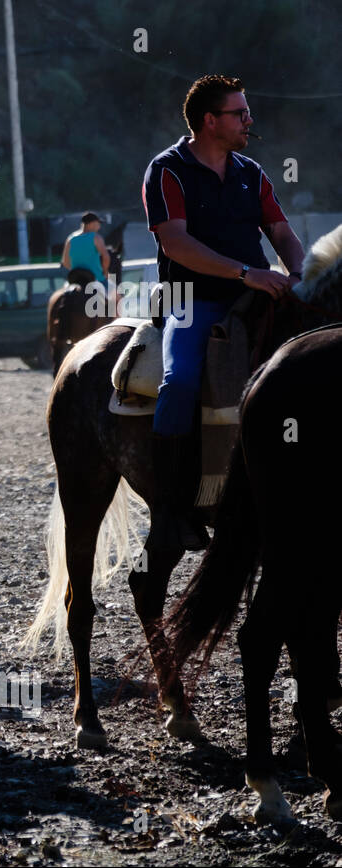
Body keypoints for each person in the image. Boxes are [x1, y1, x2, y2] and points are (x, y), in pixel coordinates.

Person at [142, 74, 303, 551]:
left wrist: (300, 273)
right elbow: (176, 242)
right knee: (182, 380)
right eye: (241, 113)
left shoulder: (251, 172)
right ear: (210, 121)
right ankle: (172, 507)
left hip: (254, 297)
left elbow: (282, 233)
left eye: (247, 112)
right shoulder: (166, 170)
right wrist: (245, 273)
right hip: (190, 301)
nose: (249, 121)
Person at [60, 211, 110, 286]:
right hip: (96, 279)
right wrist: (105, 272)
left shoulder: (70, 239)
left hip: (75, 281)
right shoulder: (96, 237)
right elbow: (106, 258)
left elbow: (65, 262)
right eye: (98, 224)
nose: (99, 227)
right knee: (117, 296)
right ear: (92, 223)